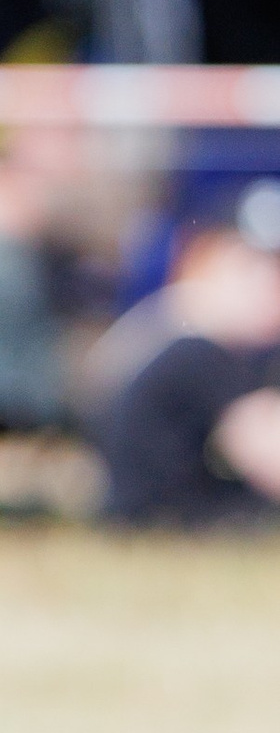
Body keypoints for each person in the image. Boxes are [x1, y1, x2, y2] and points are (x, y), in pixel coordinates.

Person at [89, 192, 280, 530]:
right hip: (161, 518)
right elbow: (267, 453)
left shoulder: (168, 322)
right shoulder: (197, 348)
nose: (270, 288)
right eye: (256, 270)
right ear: (208, 260)